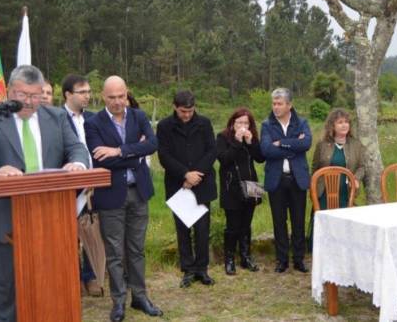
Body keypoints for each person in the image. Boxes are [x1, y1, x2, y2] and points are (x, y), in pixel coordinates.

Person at [0, 65, 89, 322]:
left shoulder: (55, 117)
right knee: (8, 295)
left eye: (36, 95)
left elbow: (76, 148)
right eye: (23, 95)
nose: (30, 102)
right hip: (4, 220)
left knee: (52, 289)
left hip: (50, 222)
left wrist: (77, 164)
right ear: (9, 90)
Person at [85, 76, 162, 321]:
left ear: (127, 93)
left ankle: (139, 297)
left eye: (121, 96)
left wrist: (119, 150)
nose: (118, 102)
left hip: (138, 192)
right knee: (115, 252)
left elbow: (152, 144)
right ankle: (118, 301)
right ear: (102, 96)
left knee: (136, 249)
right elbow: (100, 160)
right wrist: (135, 153)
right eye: (112, 97)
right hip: (110, 197)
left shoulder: (139, 117)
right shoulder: (93, 123)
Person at [156, 90, 217, 287]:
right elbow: (164, 156)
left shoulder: (204, 123)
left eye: (190, 111)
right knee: (183, 229)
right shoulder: (165, 126)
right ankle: (188, 270)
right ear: (175, 107)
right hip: (178, 184)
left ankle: (202, 269)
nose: (187, 115)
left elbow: (211, 151)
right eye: (183, 111)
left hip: (202, 182)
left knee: (202, 229)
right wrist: (184, 174)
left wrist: (195, 175)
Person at [260, 87, 312, 273]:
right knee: (279, 221)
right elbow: (266, 150)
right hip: (277, 179)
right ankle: (281, 260)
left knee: (298, 221)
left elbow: (306, 143)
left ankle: (298, 259)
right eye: (274, 103)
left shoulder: (301, 122)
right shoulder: (267, 125)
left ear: (289, 105)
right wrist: (293, 145)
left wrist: (281, 143)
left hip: (297, 178)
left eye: (279, 103)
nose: (275, 107)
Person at [62, 73, 103, 297]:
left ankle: (91, 276)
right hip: (68, 185)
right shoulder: (55, 118)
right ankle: (72, 276)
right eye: (82, 92)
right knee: (68, 234)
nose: (87, 96)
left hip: (93, 184)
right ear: (68, 94)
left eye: (89, 91)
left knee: (91, 228)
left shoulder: (94, 118)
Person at [215, 107, 265, 275]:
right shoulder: (222, 137)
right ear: (232, 123)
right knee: (233, 225)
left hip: (251, 185)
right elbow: (224, 159)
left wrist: (251, 143)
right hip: (232, 187)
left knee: (246, 224)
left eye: (246, 123)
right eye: (240, 122)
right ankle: (229, 259)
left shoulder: (252, 137)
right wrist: (236, 141)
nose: (243, 125)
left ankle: (246, 257)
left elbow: (260, 158)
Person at [311, 108, 365, 209]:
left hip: (346, 193)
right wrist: (313, 191)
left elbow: (362, 167)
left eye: (346, 122)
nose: (344, 125)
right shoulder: (322, 145)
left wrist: (356, 179)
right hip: (324, 193)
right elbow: (314, 169)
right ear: (332, 126)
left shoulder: (356, 144)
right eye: (340, 122)